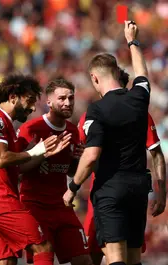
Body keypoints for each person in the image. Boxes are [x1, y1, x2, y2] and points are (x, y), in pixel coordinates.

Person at [63, 21, 157, 265]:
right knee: (134, 256)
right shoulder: (139, 99)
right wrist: (132, 41)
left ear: (94, 78)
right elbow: (143, 75)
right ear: (117, 73)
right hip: (138, 187)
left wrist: (72, 187)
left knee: (115, 257)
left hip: (111, 189)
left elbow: (92, 155)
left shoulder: (97, 110)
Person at [0, 73, 71, 265]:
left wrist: (44, 153)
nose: (33, 107)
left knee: (7, 262)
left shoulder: (5, 124)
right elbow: (1, 159)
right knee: (43, 247)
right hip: (1, 202)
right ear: (13, 98)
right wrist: (35, 151)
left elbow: (13, 169)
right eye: (29, 101)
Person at [78, 69, 166, 265]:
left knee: (113, 256)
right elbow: (156, 153)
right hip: (128, 191)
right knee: (124, 256)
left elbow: (86, 157)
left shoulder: (93, 114)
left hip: (105, 194)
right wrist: (161, 192)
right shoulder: (139, 113)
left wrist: (73, 186)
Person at [16, 77, 92, 265]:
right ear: (49, 102)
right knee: (44, 258)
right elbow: (17, 169)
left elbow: (71, 172)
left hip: (61, 205)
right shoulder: (31, 129)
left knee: (84, 260)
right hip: (35, 206)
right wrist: (43, 154)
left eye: (71, 98)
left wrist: (77, 159)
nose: (67, 103)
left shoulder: (74, 132)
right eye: (62, 98)